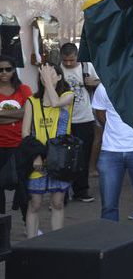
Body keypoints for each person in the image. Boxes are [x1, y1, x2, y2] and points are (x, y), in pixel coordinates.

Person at [21, 64, 74, 239]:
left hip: (60, 159)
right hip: (38, 159)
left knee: (57, 202)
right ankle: (31, 241)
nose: (46, 76)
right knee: (35, 203)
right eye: (43, 74)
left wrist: (48, 83)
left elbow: (55, 102)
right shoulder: (31, 101)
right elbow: (26, 133)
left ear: (60, 77)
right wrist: (36, 156)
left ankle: (56, 242)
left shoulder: (68, 95)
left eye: (51, 74)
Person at [91, 83, 133, 224]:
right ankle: (110, 243)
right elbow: (99, 113)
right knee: (108, 206)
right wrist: (115, 130)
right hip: (110, 151)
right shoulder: (103, 87)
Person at [60, 42, 100, 203]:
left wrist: (94, 82)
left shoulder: (87, 66)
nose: (68, 63)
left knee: (82, 156)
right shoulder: (58, 69)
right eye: (65, 60)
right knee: (62, 157)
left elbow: (100, 83)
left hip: (85, 118)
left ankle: (81, 190)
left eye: (71, 60)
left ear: (77, 56)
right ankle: (61, 194)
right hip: (63, 120)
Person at [0, 55, 30, 215]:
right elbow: (22, 113)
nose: (4, 73)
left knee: (23, 186)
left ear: (14, 71)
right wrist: (18, 115)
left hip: (19, 145)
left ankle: (28, 223)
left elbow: (28, 113)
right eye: (0, 70)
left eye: (8, 69)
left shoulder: (23, 89)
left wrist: (2, 115)